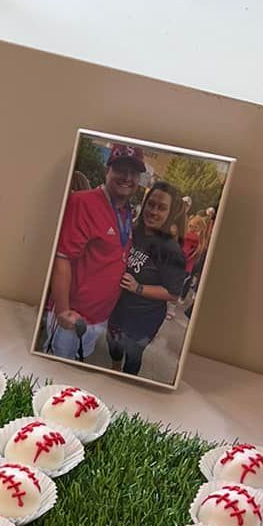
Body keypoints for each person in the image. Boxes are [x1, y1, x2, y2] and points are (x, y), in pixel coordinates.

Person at [40, 142, 144, 360]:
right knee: (53, 373)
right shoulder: (82, 203)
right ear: (108, 170)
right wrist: (62, 311)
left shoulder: (124, 211)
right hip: (72, 316)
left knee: (77, 368)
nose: (127, 177)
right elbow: (62, 258)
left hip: (98, 317)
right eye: (121, 170)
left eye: (133, 173)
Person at [106, 181, 188, 377]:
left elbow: (173, 293)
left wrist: (138, 288)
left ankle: (125, 382)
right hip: (117, 309)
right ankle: (115, 368)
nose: (153, 211)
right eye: (151, 204)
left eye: (161, 208)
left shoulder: (171, 249)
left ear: (170, 213)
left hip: (144, 320)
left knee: (133, 356)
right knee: (114, 345)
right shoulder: (132, 229)